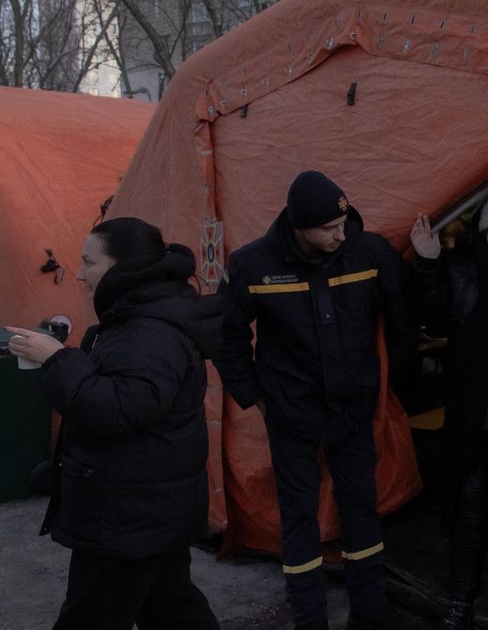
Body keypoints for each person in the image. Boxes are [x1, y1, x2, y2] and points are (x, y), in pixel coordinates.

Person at [214, 171, 418, 630]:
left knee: (361, 507)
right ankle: (309, 616)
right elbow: (226, 338)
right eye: (327, 228)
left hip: (353, 409)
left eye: (342, 223)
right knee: (299, 514)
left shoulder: (369, 253)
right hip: (291, 414)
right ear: (298, 225)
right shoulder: (253, 265)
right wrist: (256, 398)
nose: (339, 235)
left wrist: (392, 385)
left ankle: (370, 611)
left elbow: (402, 316)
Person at [6, 217, 223, 630]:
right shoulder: (134, 320)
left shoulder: (148, 334)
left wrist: (57, 358)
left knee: (93, 616)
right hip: (144, 510)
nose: (81, 274)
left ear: (124, 267)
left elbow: (115, 410)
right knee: (172, 608)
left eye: (90, 262)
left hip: (127, 515)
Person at [409, 186, 488, 629]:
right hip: (475, 409)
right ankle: (461, 599)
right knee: (471, 502)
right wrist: (427, 262)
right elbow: (435, 318)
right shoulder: (462, 272)